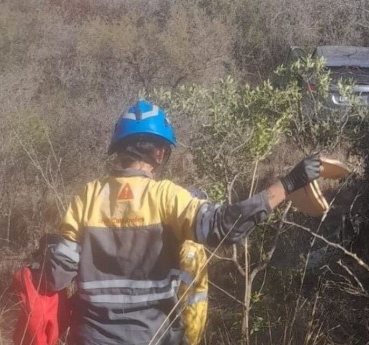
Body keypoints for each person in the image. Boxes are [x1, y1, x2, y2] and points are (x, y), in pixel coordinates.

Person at [43, 99, 321, 345]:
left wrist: (47, 251)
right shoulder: (167, 196)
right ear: (160, 153)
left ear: (120, 149)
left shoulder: (87, 196)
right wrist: (288, 184)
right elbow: (223, 228)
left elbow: (55, 276)